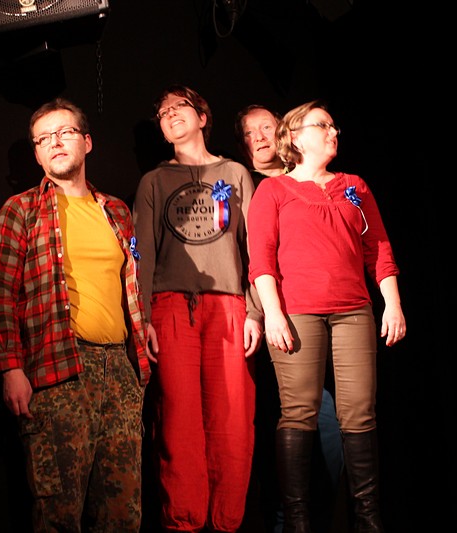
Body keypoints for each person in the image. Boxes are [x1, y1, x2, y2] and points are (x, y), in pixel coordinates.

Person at [0, 97, 152, 532]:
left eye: (64, 133)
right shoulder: (21, 209)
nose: (54, 143)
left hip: (120, 370)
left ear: (87, 142)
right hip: (59, 369)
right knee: (58, 513)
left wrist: (144, 328)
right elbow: (1, 294)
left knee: (123, 512)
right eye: (43, 139)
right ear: (37, 154)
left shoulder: (116, 211)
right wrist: (10, 367)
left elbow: (128, 285)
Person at [247, 100, 406, 533]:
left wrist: (392, 303)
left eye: (335, 126)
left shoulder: (354, 186)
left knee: (360, 413)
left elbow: (379, 249)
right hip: (297, 311)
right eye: (324, 125)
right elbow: (261, 259)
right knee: (299, 411)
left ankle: (368, 520)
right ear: (295, 137)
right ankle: (298, 523)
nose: (334, 132)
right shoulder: (273, 191)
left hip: (353, 310)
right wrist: (273, 313)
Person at [133, 84, 262, 533]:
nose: (170, 114)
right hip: (171, 307)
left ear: (202, 117)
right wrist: (143, 318)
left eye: (180, 106)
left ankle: (226, 522)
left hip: (229, 305)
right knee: (177, 420)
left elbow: (254, 247)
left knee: (232, 417)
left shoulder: (235, 173)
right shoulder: (153, 181)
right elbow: (142, 253)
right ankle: (183, 522)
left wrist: (256, 312)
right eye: (163, 112)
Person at [235, 104, 344, 533]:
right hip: (271, 325)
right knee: (282, 432)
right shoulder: (243, 187)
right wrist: (258, 313)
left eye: (267, 127)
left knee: (331, 429)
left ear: (286, 132)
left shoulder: (314, 182)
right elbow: (251, 260)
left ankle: (326, 517)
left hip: (319, 320)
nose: (261, 136)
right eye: (250, 133)